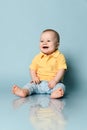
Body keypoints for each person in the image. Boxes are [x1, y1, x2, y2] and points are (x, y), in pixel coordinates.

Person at [12, 29, 67, 99]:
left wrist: (55, 80)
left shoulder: (59, 56)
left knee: (61, 86)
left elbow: (62, 69)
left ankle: (55, 93)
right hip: (39, 83)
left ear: (57, 45)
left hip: (53, 84)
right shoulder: (37, 57)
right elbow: (32, 69)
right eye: (42, 41)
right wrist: (34, 77)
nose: (44, 43)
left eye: (48, 41)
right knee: (30, 85)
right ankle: (24, 91)